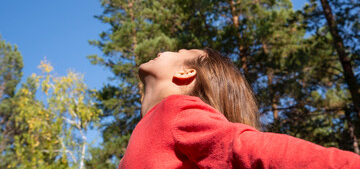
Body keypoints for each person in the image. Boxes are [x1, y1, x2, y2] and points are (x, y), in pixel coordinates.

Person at [118, 48, 360, 168]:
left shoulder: (175, 110)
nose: (163, 50)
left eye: (179, 52)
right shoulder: (143, 134)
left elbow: (246, 148)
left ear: (186, 73)